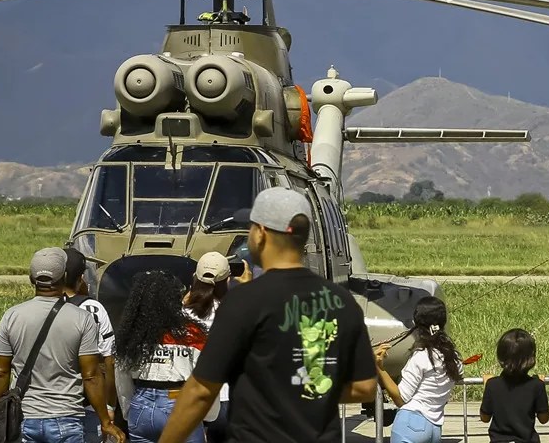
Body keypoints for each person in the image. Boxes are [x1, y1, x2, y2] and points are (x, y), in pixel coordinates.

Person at [158, 187, 377, 443]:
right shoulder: (342, 301)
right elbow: (365, 387)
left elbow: (201, 391)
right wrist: (304, 390)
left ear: (261, 234)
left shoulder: (244, 301)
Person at [0, 247, 124, 443]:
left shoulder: (12, 316)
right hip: (67, 418)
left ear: (31, 278)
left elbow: (1, 372)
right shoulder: (82, 319)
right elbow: (91, 376)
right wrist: (105, 420)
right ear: (65, 277)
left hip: (25, 418)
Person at [114, 270, 211, 443]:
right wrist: (207, 417)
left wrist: (129, 411)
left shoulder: (130, 335)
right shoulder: (193, 333)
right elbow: (206, 378)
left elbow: (122, 380)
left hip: (141, 406)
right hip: (181, 403)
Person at [181, 252, 251, 443]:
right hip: (227, 399)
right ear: (227, 280)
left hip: (194, 398)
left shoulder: (182, 314)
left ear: (195, 278)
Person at [374, 296, 463, 443]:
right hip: (435, 427)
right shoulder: (454, 358)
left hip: (410, 424)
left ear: (416, 323)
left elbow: (400, 398)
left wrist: (380, 368)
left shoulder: (421, 357)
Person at [61, 248, 118, 443]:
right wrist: (109, 406)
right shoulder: (94, 308)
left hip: (47, 404)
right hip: (88, 404)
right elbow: (108, 360)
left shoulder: (39, 308)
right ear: (82, 277)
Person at [479, 328, 549, 443]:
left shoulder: (492, 384)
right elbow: (544, 419)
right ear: (531, 358)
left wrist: (488, 386)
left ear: (501, 356)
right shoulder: (537, 385)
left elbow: (485, 418)